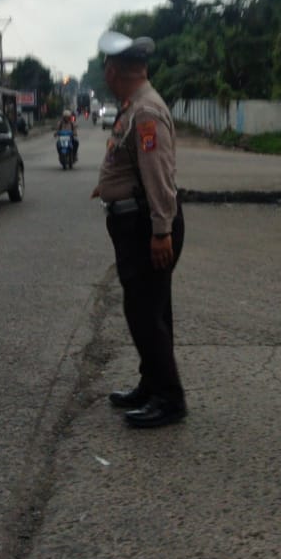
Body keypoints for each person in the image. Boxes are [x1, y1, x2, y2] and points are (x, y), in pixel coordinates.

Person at [91, 30, 186, 428]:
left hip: (147, 225)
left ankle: (169, 398)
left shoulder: (145, 112)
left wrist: (160, 232)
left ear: (114, 72)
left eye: (107, 70)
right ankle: (152, 385)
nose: (106, 76)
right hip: (139, 223)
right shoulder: (136, 106)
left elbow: (158, 174)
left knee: (144, 313)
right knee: (151, 309)